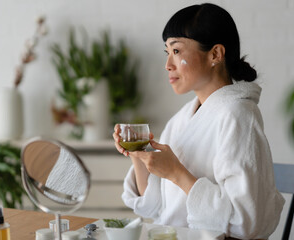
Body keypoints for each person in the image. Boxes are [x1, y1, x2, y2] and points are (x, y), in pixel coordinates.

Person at [113, 3, 285, 240]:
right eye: (167, 52)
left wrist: (176, 173)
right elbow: (156, 208)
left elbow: (246, 221)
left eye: (176, 51)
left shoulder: (238, 115)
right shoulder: (182, 119)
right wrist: (137, 152)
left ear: (215, 54)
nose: (168, 65)